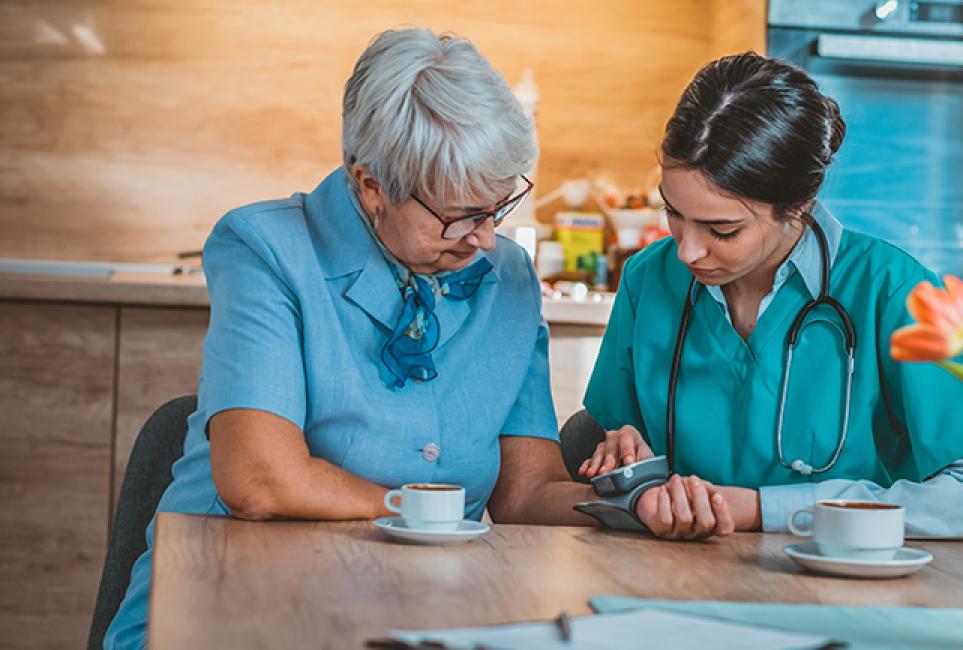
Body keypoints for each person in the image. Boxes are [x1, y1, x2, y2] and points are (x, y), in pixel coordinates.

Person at [104, 28, 608, 649]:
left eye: (497, 209)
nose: (483, 238)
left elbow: (525, 492)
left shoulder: (508, 276)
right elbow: (260, 479)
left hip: (426, 614)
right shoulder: (267, 249)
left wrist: (629, 505)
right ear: (370, 185)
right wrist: (422, 512)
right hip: (232, 608)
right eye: (459, 216)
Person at [579, 53, 963, 541]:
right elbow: (620, 466)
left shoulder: (899, 294)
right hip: (677, 580)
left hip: (843, 590)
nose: (687, 251)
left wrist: (765, 509)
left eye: (722, 229)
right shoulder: (648, 280)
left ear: (799, 205)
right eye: (674, 212)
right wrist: (628, 466)